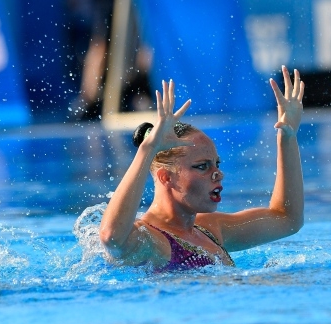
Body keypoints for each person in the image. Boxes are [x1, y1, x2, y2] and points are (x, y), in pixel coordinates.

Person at [99, 66, 304, 271]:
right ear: (165, 177)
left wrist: (287, 138)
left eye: (217, 164)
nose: (218, 174)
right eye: (202, 166)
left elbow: (287, 218)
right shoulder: (152, 240)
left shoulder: (209, 229)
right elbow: (112, 237)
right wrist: (148, 149)